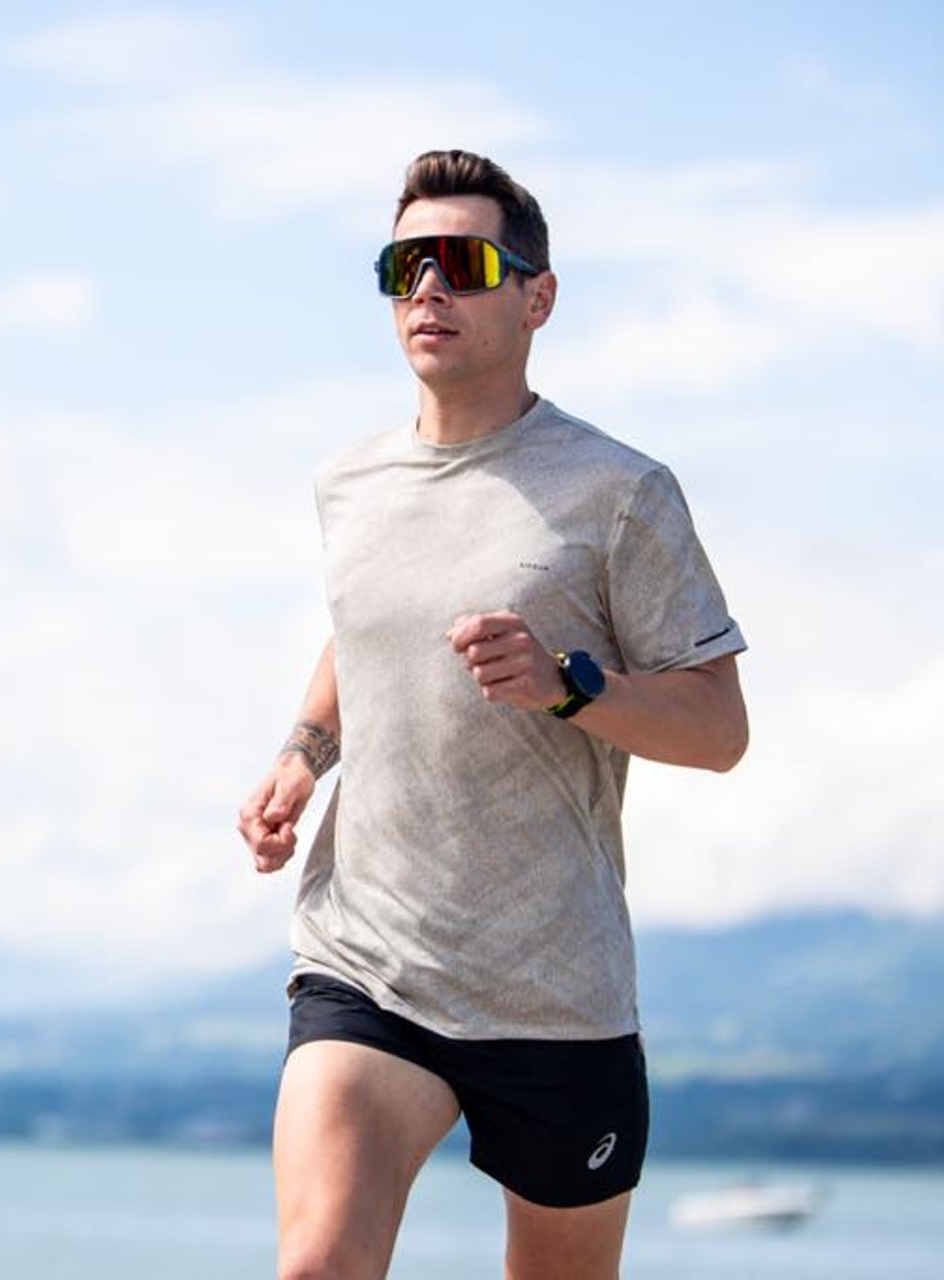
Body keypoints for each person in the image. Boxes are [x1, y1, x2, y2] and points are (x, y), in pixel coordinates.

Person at [236, 149, 749, 1280]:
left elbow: (719, 727)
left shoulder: (619, 491)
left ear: (537, 296)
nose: (429, 289)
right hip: (367, 961)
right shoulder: (351, 483)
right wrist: (303, 752)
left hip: (553, 993)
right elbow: (368, 622)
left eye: (462, 264)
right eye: (404, 265)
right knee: (318, 1263)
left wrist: (574, 684)